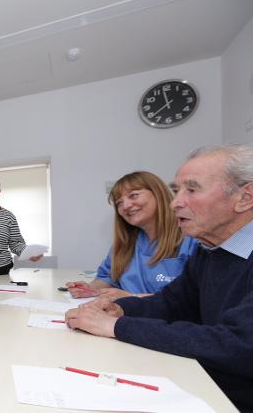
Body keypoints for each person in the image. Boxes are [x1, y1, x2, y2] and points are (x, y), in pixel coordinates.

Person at [65, 145, 253, 412]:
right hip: (203, 380)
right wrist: (120, 308)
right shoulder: (210, 251)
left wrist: (115, 326)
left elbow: (238, 345)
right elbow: (173, 302)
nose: (175, 202)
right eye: (176, 191)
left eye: (192, 189)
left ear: (245, 197)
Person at [66, 171, 197, 300]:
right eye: (119, 203)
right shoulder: (126, 243)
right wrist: (90, 288)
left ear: (158, 194)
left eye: (133, 195)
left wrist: (132, 298)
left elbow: (194, 300)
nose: (126, 206)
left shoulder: (192, 240)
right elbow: (108, 277)